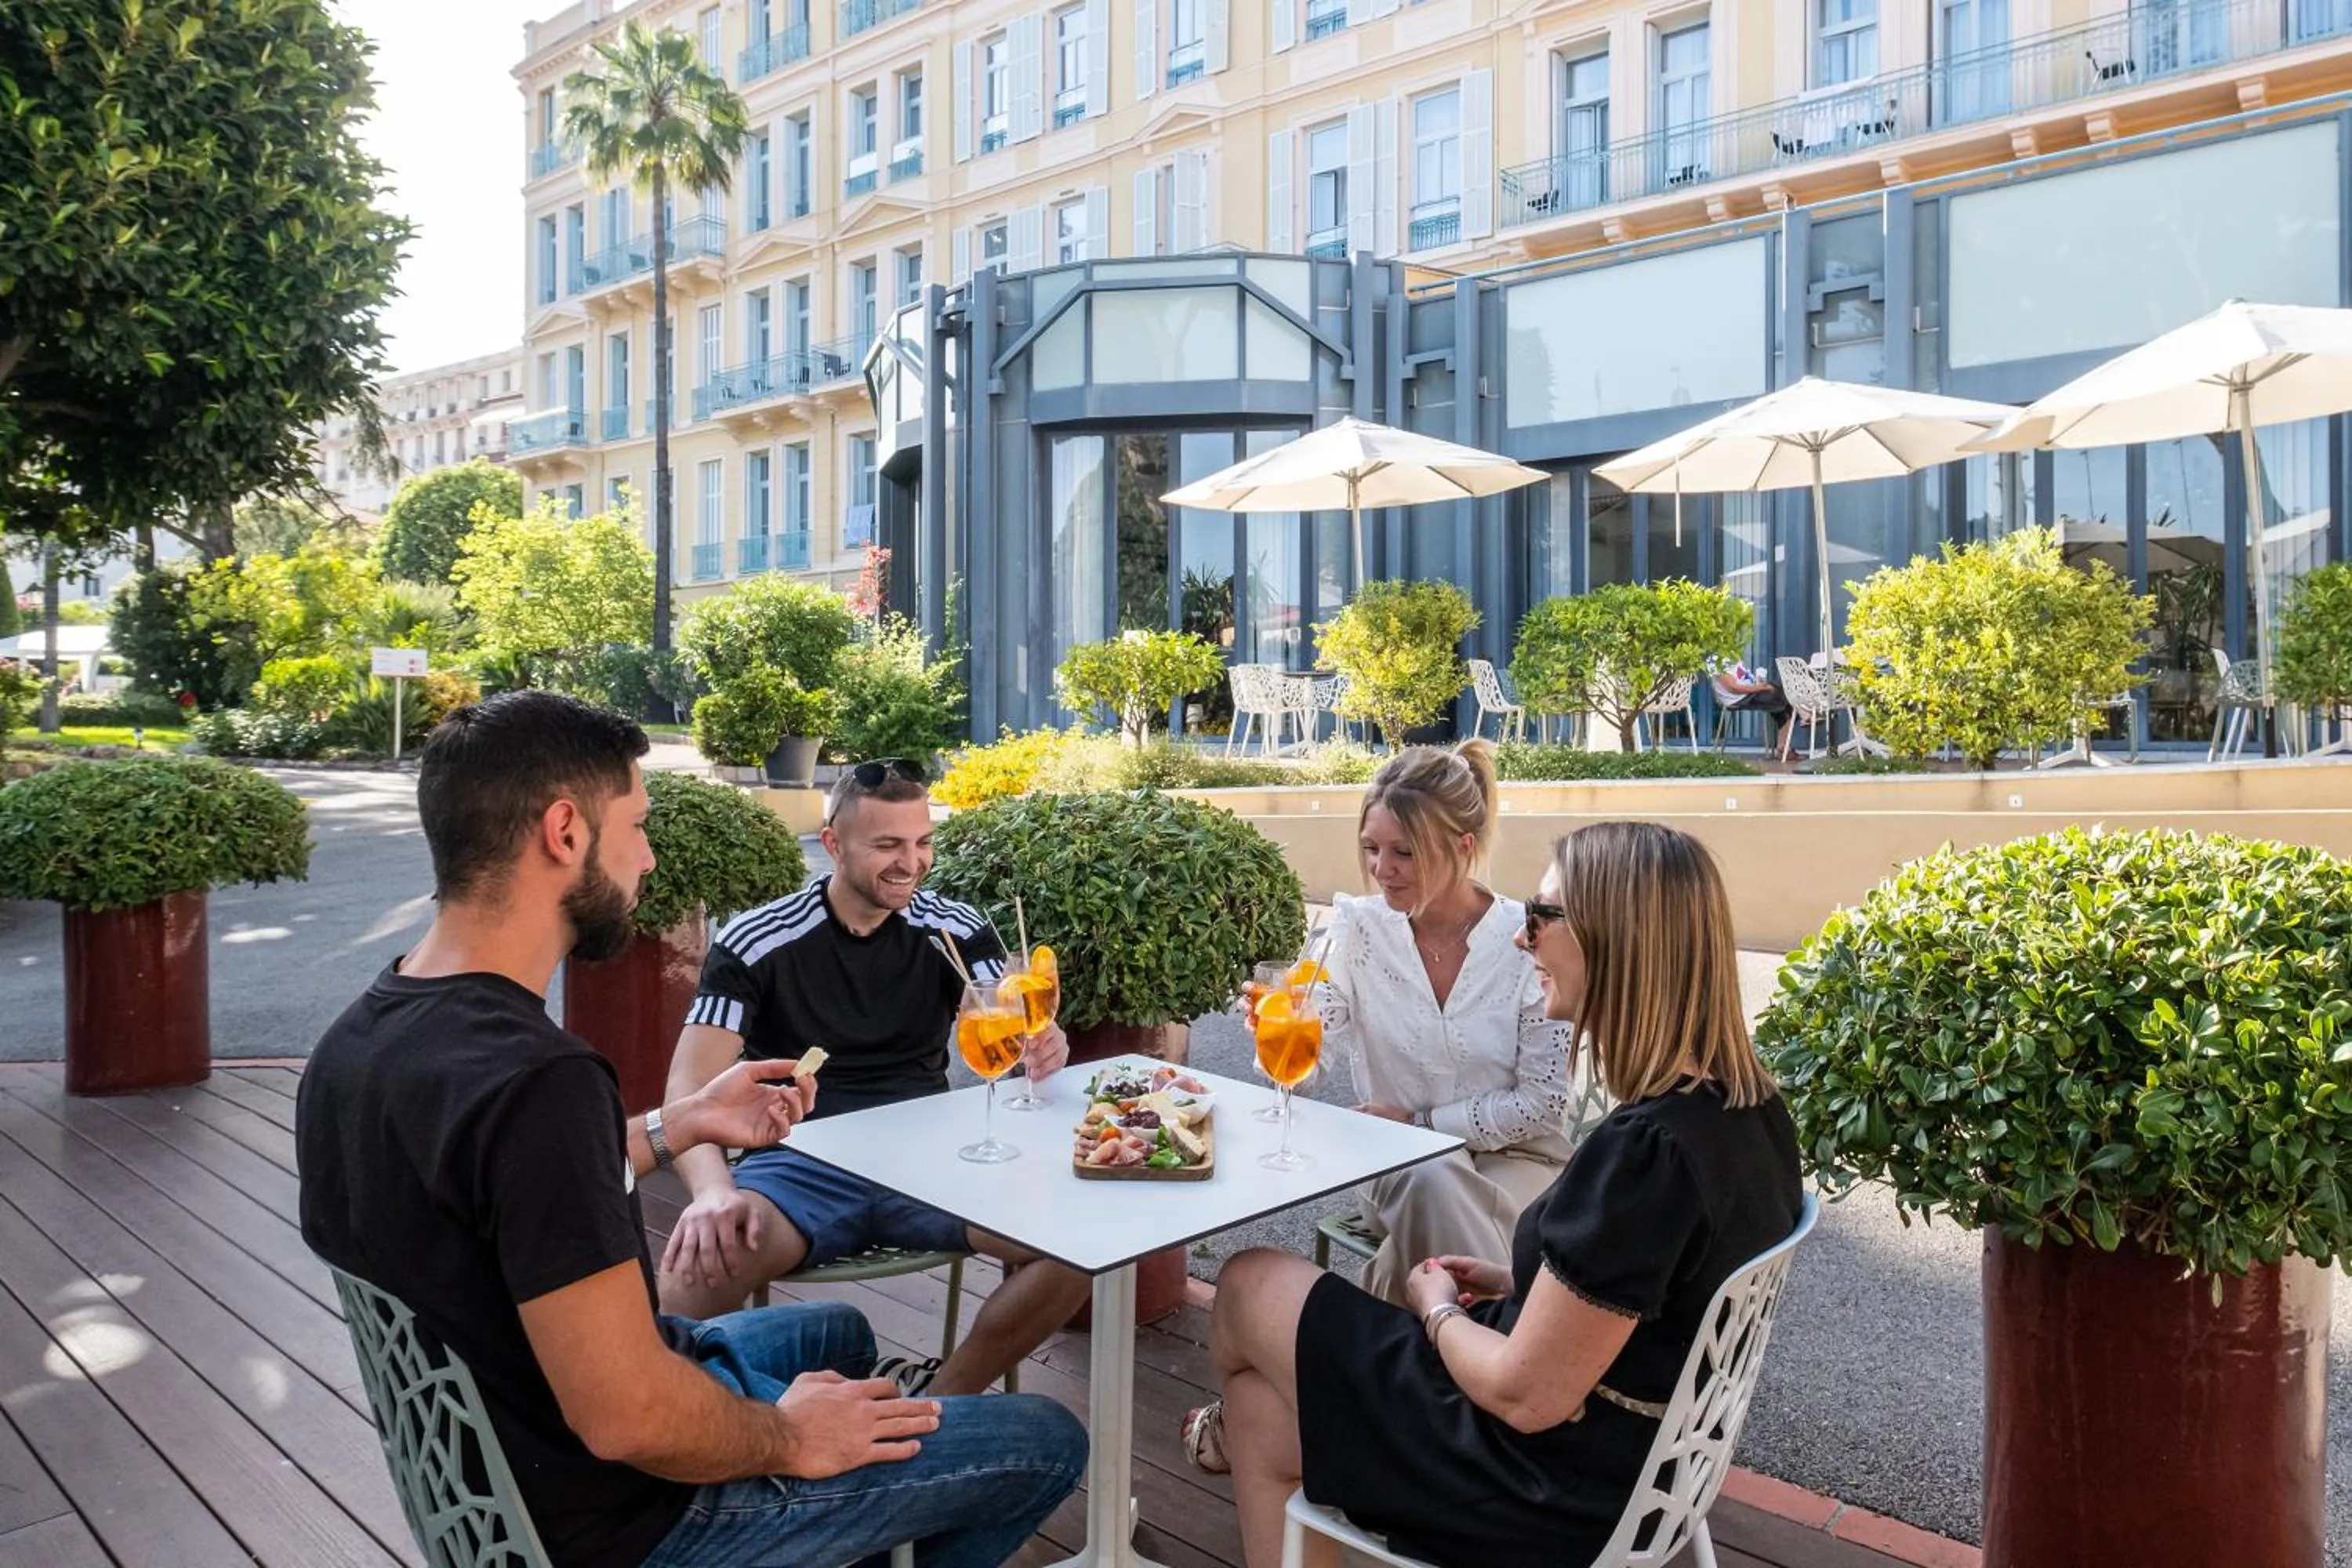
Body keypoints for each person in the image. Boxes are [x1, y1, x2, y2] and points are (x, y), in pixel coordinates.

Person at [297, 694, 1085, 1568]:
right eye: (636, 824)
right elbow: (627, 1414)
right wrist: (790, 1437)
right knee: (1043, 1437)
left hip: (500, 1459)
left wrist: (673, 1127)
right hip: (624, 1518)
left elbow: (499, 1183)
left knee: (839, 1336)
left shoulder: (361, 1036)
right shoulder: (540, 1081)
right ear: (564, 831)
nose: (651, 855)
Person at [1200, 821, 1802, 1567]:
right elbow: (1662, 1288)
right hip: (1648, 1466)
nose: (1523, 941)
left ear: (1615, 940)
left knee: (1247, 1279)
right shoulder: (1746, 1107)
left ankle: (1227, 1428)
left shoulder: (1651, 1152)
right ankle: (1238, 1426)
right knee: (1262, 1413)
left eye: (1540, 920)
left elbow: (1527, 1396)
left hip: (1541, 1481)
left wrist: (1438, 1310)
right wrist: (1530, 1281)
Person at [657, 757, 1092, 1395]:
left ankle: (939, 1403)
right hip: (799, 1161)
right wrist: (713, 1192)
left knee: (1076, 1243)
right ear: (832, 843)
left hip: (935, 1159)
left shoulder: (956, 928)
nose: (910, 863)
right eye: (887, 845)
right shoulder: (756, 941)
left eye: (922, 843)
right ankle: (709, 1434)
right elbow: (686, 1093)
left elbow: (1016, 1022)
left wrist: (1045, 1046)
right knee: (696, 1267)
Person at [1311, 739, 1583, 1308]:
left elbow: (1543, 1103)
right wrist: (1285, 1028)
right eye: (1370, 848)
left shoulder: (1525, 938)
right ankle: (1515, 1354)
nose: (1381, 870)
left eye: (1404, 853)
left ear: (1463, 847)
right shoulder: (1356, 929)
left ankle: (1393, 1353)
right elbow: (1312, 1050)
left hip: (1521, 1162)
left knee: (1413, 1250)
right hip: (1397, 1166)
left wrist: (1419, 1120)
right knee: (1429, 1174)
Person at [1714, 659, 1795, 757]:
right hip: (1738, 698)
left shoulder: (1731, 655)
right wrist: (1761, 688)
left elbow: (1742, 679)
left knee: (1785, 694)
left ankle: (1783, 746)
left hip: (1749, 693)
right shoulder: (1718, 660)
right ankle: (1784, 745)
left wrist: (1759, 685)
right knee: (1784, 697)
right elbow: (1734, 688)